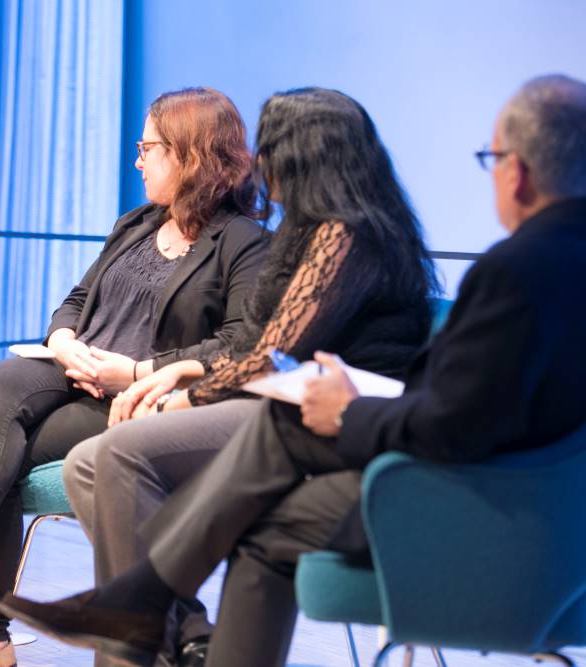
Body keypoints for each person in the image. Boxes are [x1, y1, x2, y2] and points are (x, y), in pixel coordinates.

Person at [0, 74, 586, 667]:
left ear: (520, 172)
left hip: (460, 494)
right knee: (242, 485)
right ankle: (146, 611)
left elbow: (453, 418)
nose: (262, 171)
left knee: (198, 447)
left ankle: (138, 610)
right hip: (492, 481)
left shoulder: (493, 264)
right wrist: (184, 377)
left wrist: (346, 413)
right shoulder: (525, 261)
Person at [0, 87, 270, 667]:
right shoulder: (138, 222)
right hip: (75, 373)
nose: (137, 159)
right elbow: (78, 298)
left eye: (148, 148)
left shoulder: (241, 243)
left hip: (141, 402)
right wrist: (63, 340)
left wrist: (139, 371)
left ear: (190, 155)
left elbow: (242, 345)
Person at [60, 86, 436, 667]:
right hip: (276, 399)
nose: (259, 162)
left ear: (305, 154)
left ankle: (133, 635)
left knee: (118, 453)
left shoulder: (347, 234)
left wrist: (185, 397)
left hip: (314, 417)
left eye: (273, 148)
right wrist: (187, 367)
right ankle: (176, 634)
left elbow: (272, 355)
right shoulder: (309, 229)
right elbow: (258, 343)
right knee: (88, 462)